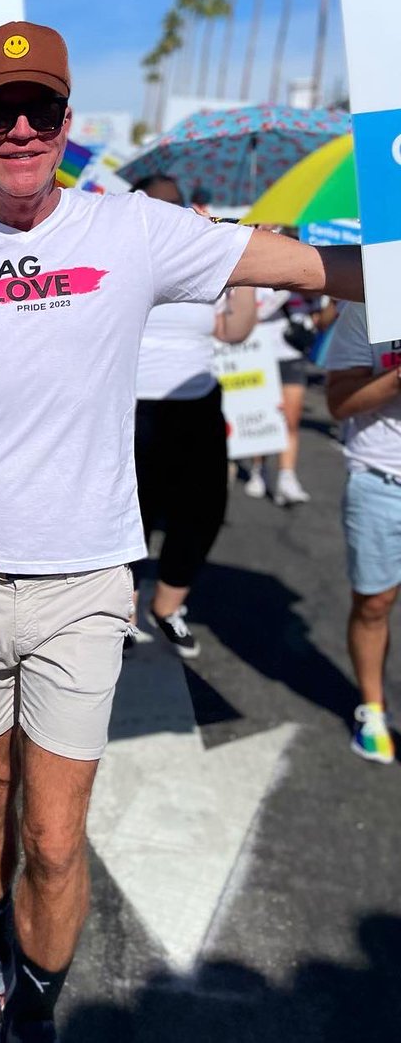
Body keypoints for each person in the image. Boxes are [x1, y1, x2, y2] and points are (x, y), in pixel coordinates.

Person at [0, 20, 365, 1042]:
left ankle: (34, 1005)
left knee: (53, 829)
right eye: (1, 111)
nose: (24, 127)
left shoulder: (129, 229)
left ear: (67, 122)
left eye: (42, 108)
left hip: (86, 584)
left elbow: (306, 265)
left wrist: (384, 266)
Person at [128, 173, 257, 658]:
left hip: (196, 402)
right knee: (131, 515)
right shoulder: (120, 255)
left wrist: (244, 266)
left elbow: (234, 331)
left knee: (202, 511)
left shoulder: (204, 255)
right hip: (130, 404)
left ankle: (167, 607)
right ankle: (124, 613)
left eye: (173, 207)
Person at [325, 304, 401, 764]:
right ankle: (372, 707)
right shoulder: (369, 305)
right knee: (374, 601)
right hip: (380, 478)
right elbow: (338, 403)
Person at [244, 281, 315, 506]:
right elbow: (250, 314)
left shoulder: (305, 285)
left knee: (291, 420)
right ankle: (259, 468)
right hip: (259, 351)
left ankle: (287, 476)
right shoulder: (258, 280)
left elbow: (320, 318)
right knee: (263, 417)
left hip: (291, 354)